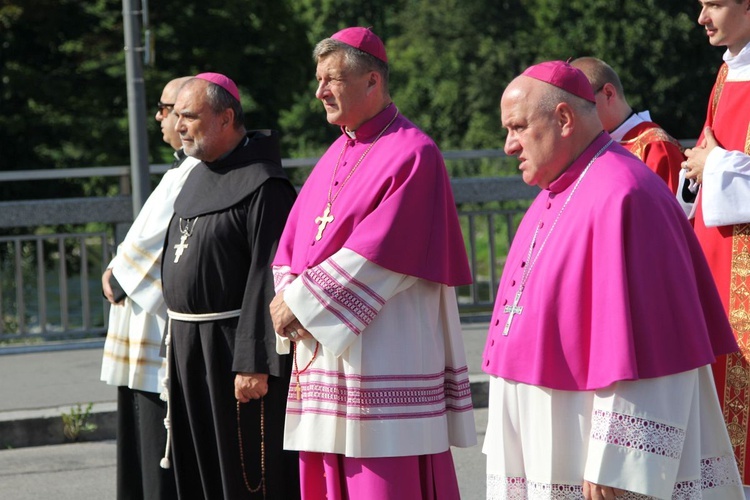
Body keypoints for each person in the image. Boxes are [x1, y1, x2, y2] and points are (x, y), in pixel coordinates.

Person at [482, 60, 743, 499]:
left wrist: (618, 458)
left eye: (518, 127)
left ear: (563, 119)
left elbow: (656, 337)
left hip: (584, 442)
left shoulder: (626, 193)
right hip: (545, 431)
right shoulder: (560, 189)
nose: (509, 145)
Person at [268, 27, 477, 499]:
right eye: (318, 79)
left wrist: (300, 304)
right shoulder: (333, 154)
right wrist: (289, 298)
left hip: (384, 353)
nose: (320, 91)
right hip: (325, 354)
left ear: (372, 82)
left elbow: (386, 254)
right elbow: (291, 244)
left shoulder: (413, 152)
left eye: (332, 79)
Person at [161, 73, 299, 499]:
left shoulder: (263, 185)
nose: (179, 126)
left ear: (225, 118)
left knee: (241, 473)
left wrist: (253, 361)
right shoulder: (197, 175)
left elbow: (268, 276)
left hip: (232, 351)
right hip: (189, 344)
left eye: (189, 116)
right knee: (198, 460)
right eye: (177, 116)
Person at [100, 75, 197, 500]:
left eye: (166, 107)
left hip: (157, 330)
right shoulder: (180, 169)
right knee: (141, 449)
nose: (159, 116)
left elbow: (156, 242)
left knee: (158, 449)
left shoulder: (192, 172)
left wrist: (118, 277)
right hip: (141, 327)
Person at [683, 0, 750, 490]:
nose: (702, 18)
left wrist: (714, 167)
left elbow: (718, 161)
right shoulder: (727, 72)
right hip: (717, 254)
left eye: (713, 4)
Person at [570, 57, 686, 196]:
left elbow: (671, 214)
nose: (573, 116)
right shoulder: (584, 150)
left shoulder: (655, 147)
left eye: (579, 104)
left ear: (608, 93)